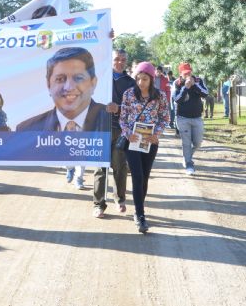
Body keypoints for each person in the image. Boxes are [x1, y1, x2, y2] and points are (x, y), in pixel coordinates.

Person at [120, 61, 169, 233]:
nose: (141, 83)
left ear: (151, 79)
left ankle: (138, 208)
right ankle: (140, 215)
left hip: (150, 143)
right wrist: (128, 133)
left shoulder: (160, 96)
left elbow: (165, 118)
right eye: (138, 79)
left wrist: (156, 134)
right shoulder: (128, 94)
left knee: (145, 177)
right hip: (132, 142)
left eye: (145, 79)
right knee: (137, 176)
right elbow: (123, 118)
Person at [16, 47, 109, 132]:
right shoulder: (26, 130)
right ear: (48, 84)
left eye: (78, 78)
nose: (69, 87)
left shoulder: (113, 122)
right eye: (60, 79)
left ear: (93, 83)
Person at [89, 49, 136, 218]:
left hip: (120, 129)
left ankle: (120, 199)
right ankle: (98, 204)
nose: (119, 62)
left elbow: (135, 108)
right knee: (100, 168)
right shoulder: (100, 78)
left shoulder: (131, 82)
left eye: (123, 59)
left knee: (119, 166)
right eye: (116, 59)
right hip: (101, 127)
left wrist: (119, 108)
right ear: (111, 60)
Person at [173, 62, 209, 176]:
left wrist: (195, 85)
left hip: (197, 118)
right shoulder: (177, 83)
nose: (187, 75)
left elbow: (205, 93)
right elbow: (177, 99)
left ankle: (187, 156)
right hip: (182, 118)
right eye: (184, 74)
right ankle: (189, 164)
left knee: (198, 142)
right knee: (186, 142)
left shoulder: (198, 80)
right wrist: (185, 88)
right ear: (180, 74)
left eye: (189, 73)